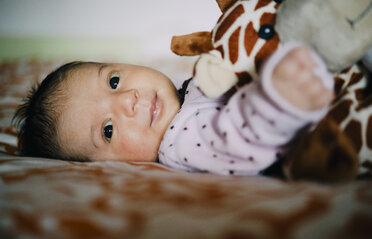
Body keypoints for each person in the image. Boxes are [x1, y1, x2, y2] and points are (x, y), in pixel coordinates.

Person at [13, 43, 334, 175]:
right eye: (107, 130)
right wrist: (281, 99)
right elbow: (241, 137)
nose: (128, 100)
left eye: (113, 81)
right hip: (323, 130)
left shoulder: (187, 91)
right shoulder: (181, 143)